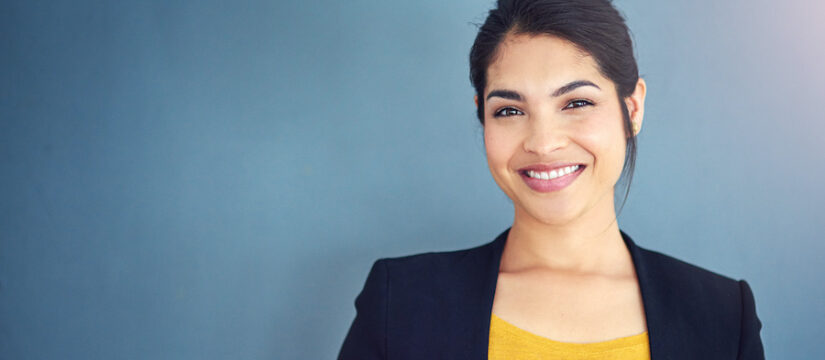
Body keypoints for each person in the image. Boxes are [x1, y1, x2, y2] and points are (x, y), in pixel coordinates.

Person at [338, 0, 765, 359]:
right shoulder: (401, 303)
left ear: (632, 109)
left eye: (576, 102)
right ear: (481, 115)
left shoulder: (724, 316)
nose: (543, 143)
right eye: (509, 110)